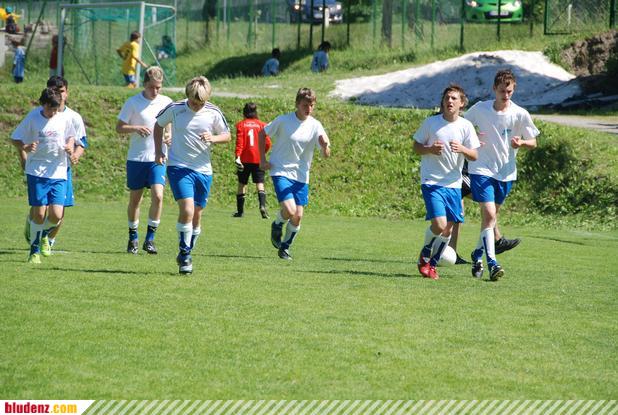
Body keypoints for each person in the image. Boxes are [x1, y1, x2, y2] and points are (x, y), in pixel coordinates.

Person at [464, 69, 539, 281]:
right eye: (502, 91)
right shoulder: (480, 108)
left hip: (506, 173)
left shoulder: (520, 113)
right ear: (494, 89)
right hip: (481, 169)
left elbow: (533, 141)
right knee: (489, 215)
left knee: (489, 220)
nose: (505, 95)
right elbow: (463, 126)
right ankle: (493, 263)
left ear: (513, 90)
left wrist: (521, 142)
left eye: (509, 91)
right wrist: (473, 137)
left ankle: (477, 254)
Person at [154, 76, 230, 274]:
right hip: (178, 167)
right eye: (194, 102)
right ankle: (185, 254)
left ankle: (187, 250)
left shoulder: (213, 111)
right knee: (187, 210)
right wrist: (158, 151)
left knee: (197, 215)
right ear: (188, 96)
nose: (197, 106)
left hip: (203, 170)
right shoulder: (175, 108)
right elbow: (158, 125)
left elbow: (227, 135)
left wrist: (213, 138)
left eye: (201, 103)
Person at [413, 85, 479, 280]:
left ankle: (432, 265)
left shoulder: (466, 126)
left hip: (454, 184)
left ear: (462, 103)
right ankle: (425, 254)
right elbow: (416, 147)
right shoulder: (431, 123)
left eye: (454, 98)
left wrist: (462, 149)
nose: (450, 101)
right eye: (447, 98)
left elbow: (474, 155)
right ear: (443, 101)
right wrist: (429, 149)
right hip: (432, 181)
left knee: (448, 228)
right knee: (440, 224)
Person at [17, 76, 88, 257]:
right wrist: (23, 156)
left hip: (62, 169)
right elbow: (21, 138)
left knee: (58, 212)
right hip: (39, 169)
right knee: (40, 210)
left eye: (61, 91)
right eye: (55, 91)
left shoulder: (73, 117)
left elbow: (80, 142)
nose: (59, 95)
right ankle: (36, 235)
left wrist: (74, 155)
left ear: (67, 92)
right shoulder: (36, 115)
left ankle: (47, 239)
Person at [258, 87, 331, 261]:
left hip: (301, 176)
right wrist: (262, 159)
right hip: (281, 170)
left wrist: (324, 147)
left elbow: (326, 154)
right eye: (305, 105)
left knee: (298, 216)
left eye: (312, 105)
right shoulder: (284, 120)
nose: (309, 109)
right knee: (290, 210)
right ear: (297, 104)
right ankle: (277, 225)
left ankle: (285, 247)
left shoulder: (316, 125)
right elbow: (262, 133)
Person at [11, 88, 75, 263]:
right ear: (43, 104)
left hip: (58, 171)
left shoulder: (63, 118)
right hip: (37, 171)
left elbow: (71, 136)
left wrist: (70, 146)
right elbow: (14, 138)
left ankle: (42, 234)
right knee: (39, 214)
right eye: (50, 109)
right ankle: (34, 252)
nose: (53, 113)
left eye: (56, 109)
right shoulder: (33, 118)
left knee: (56, 215)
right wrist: (25, 147)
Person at [117, 66, 173, 255]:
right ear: (144, 84)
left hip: (158, 157)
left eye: (158, 87)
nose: (155, 91)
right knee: (136, 199)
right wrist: (136, 128)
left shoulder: (166, 102)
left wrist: (169, 135)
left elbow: (170, 124)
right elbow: (119, 127)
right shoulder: (133, 102)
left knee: (158, 196)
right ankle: (133, 236)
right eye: (151, 87)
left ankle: (150, 239)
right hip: (137, 158)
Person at [448, 160, 522, 264]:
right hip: (458, 172)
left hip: (464, 170)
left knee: (460, 211)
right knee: (487, 202)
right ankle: (496, 239)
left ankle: (451, 252)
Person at [233, 102, 272, 219]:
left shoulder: (241, 125)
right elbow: (268, 143)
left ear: (244, 112)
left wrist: (237, 156)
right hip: (258, 159)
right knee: (260, 183)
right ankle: (262, 207)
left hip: (244, 160)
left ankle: (240, 212)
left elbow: (240, 143)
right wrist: (262, 153)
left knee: (242, 184)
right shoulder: (262, 125)